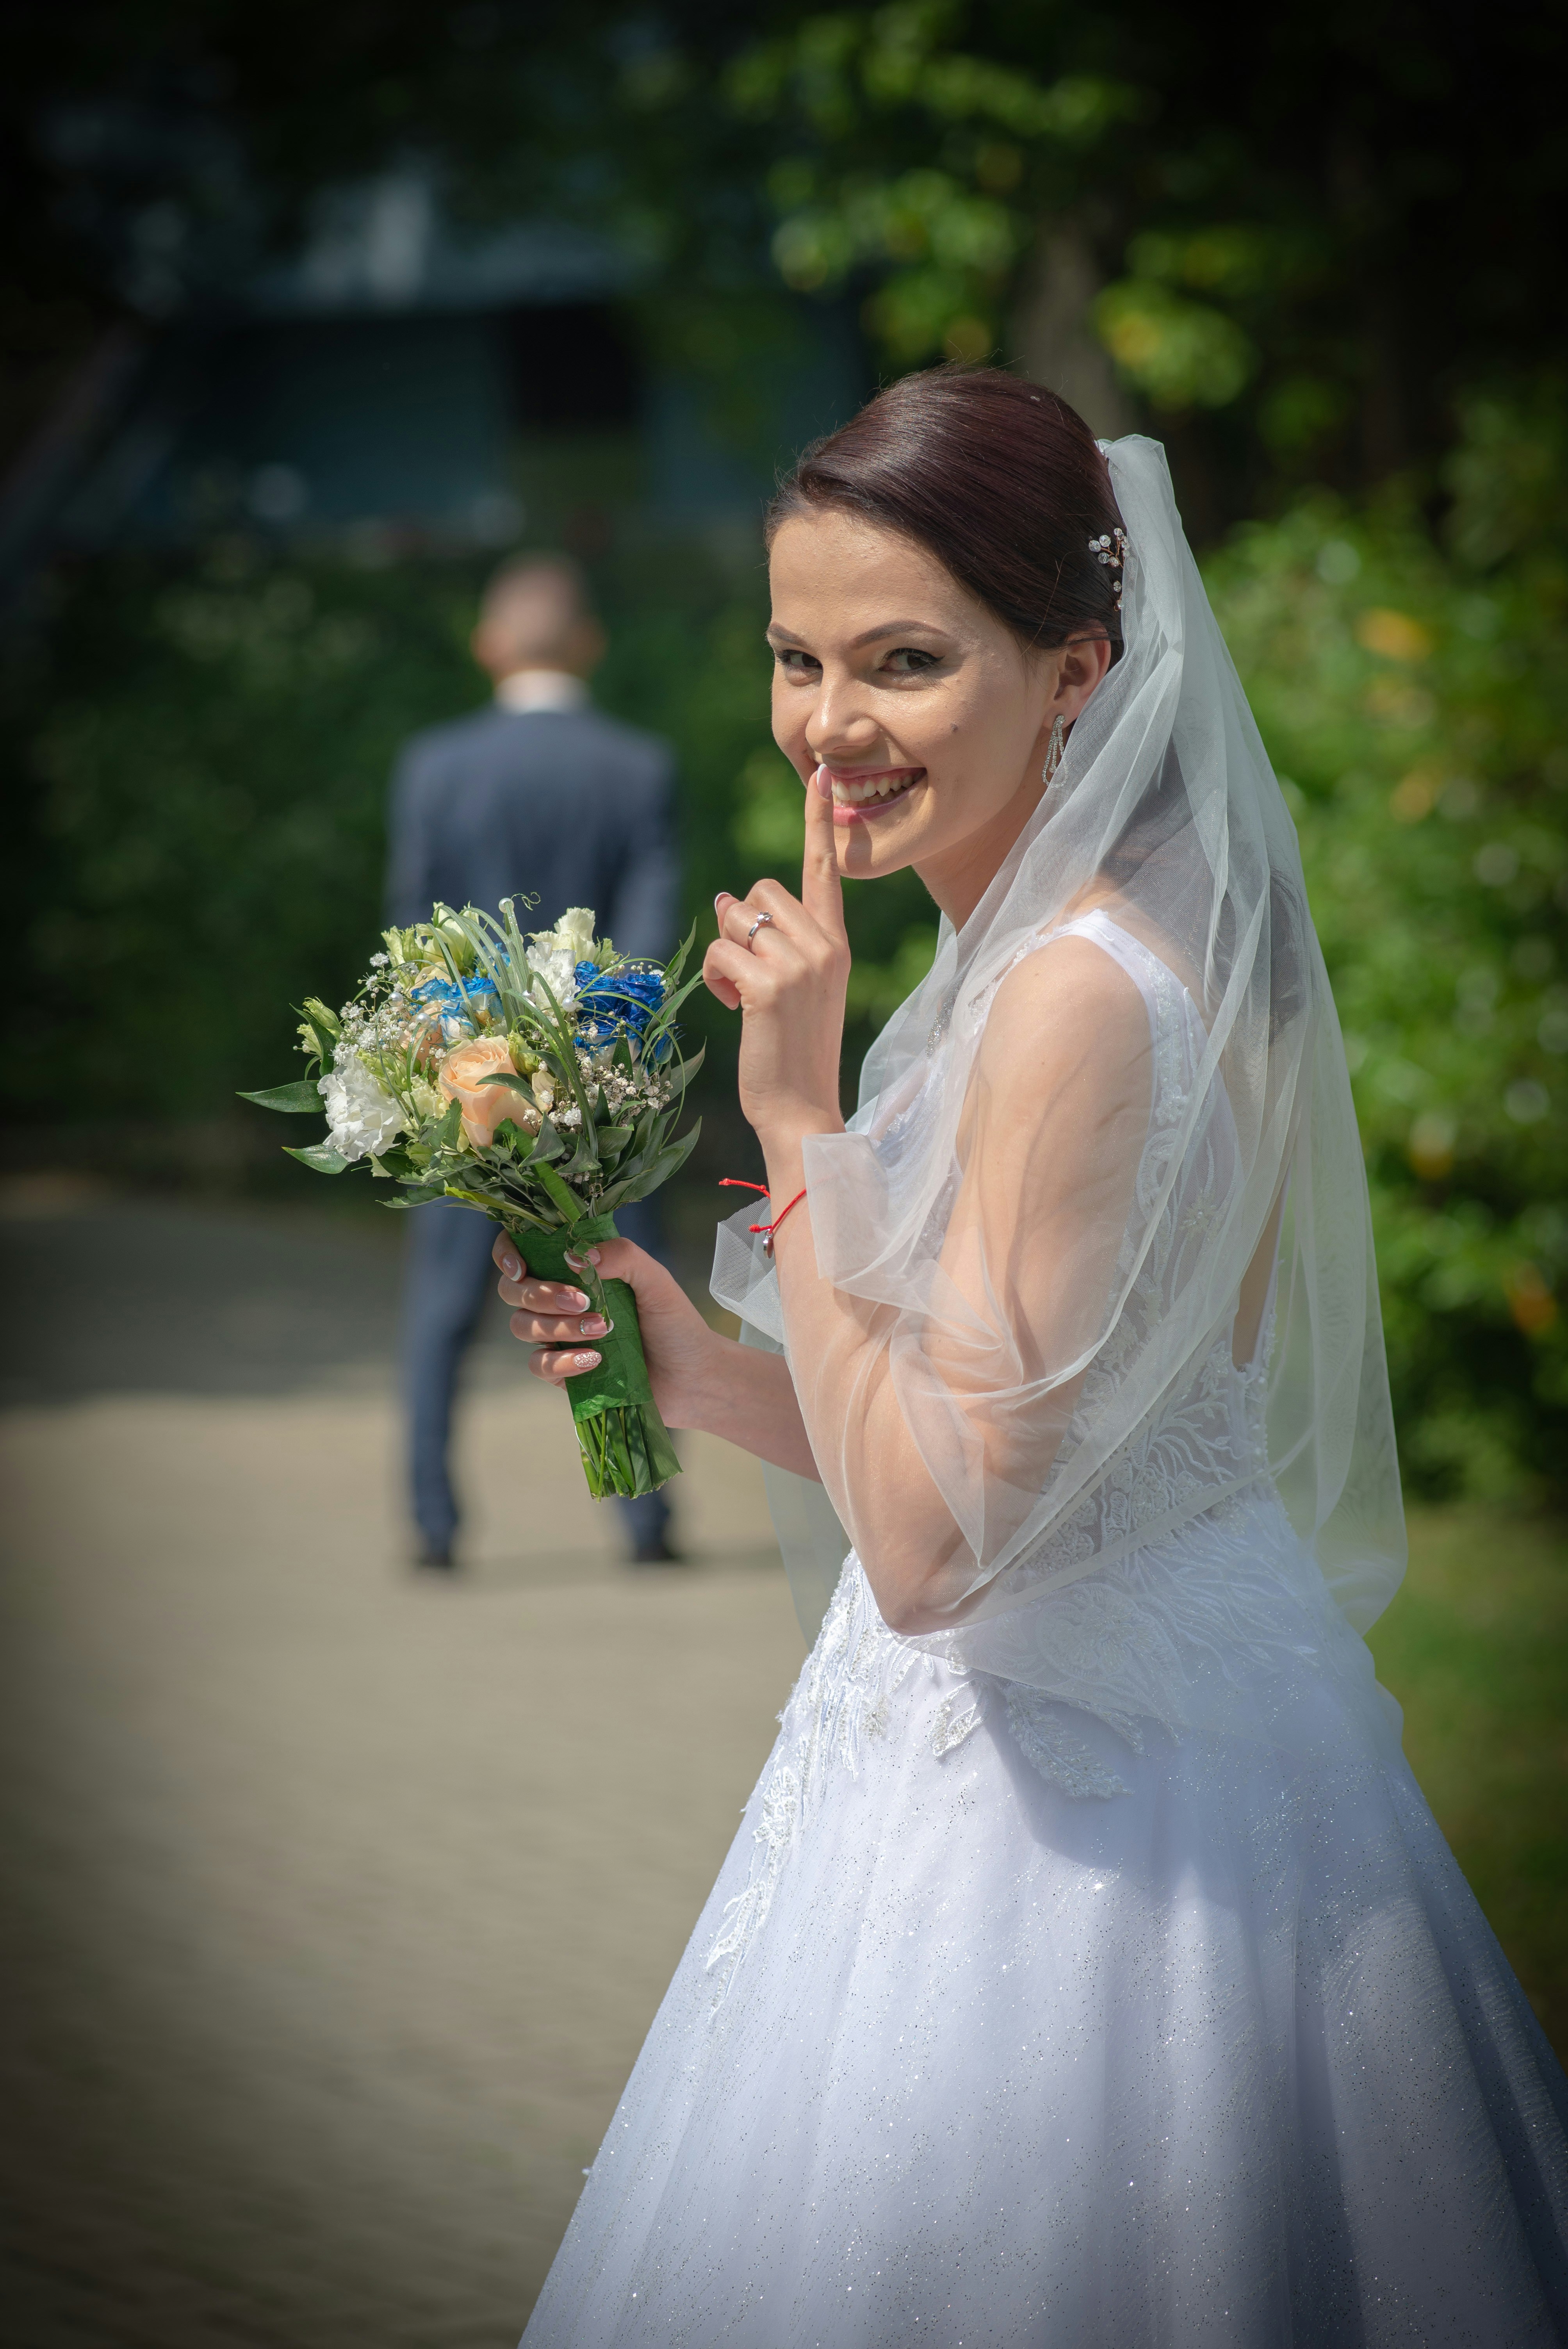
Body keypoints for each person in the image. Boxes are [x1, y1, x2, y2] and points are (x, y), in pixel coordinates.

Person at [497, 373, 1568, 2342]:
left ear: (1074, 665)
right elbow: (1031, 1441)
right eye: (794, 658)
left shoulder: (1073, 997)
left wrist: (801, 1118)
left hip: (1080, 1836)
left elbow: (926, 1555)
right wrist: (694, 1361)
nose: (828, 727)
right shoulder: (1053, 945)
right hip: (1121, 1706)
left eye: (902, 662)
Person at [385, 554, 681, 1569]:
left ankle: (434, 1525)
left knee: (441, 1308)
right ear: (587, 645)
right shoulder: (639, 766)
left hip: (468, 1079)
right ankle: (642, 1516)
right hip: (598, 1088)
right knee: (615, 1291)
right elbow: (643, 940)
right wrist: (591, 1061)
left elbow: (413, 935)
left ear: (488, 646)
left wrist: (453, 1065)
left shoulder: (435, 767)